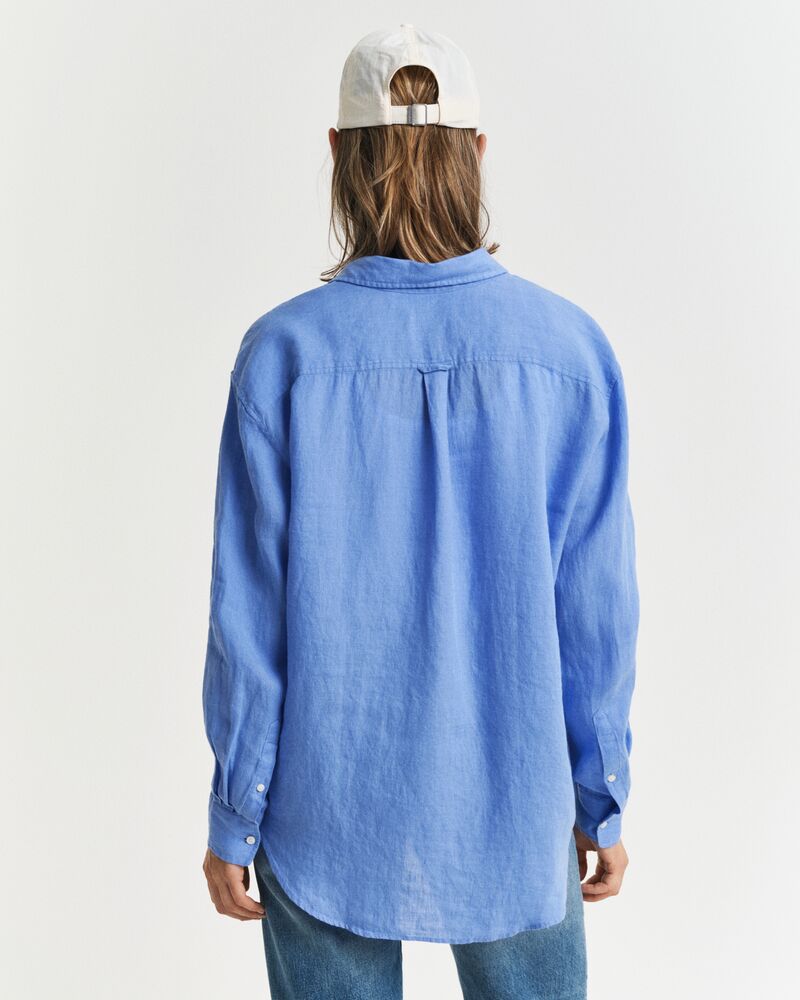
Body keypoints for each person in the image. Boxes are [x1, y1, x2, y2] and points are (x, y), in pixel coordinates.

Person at [201, 24, 639, 1000]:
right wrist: (600, 796)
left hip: (322, 813)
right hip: (519, 808)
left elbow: (248, 623)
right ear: (476, 151)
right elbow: (595, 615)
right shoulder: (570, 354)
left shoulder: (283, 357)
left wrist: (237, 809)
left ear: (336, 153)